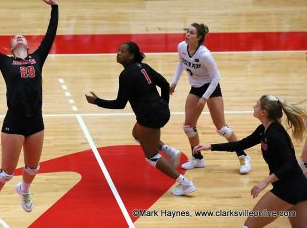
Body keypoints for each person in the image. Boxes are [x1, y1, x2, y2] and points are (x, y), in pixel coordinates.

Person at [0, 0, 58, 226]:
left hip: (36, 123)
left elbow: (50, 35)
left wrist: (54, 8)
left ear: (27, 45)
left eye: (21, 36)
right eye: (15, 37)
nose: (19, 37)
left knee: (32, 168)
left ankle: (24, 189)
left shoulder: (37, 58)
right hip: (14, 123)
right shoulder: (5, 62)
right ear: (11, 47)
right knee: (7, 173)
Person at [85, 42, 196, 196]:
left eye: (122, 51)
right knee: (136, 133)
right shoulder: (144, 67)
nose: (118, 53)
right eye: (118, 50)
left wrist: (97, 101)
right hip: (161, 111)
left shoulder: (125, 75)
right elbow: (164, 84)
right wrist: (164, 104)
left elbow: (120, 104)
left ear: (131, 55)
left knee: (151, 157)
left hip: (149, 116)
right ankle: (170, 151)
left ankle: (185, 183)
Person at [194, 95, 307, 228]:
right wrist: (211, 147)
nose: (254, 105)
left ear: (263, 112)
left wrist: (264, 182)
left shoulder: (275, 135)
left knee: (249, 226)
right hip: (297, 186)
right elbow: (240, 145)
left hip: (289, 188)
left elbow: (290, 164)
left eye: (257, 104)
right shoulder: (264, 130)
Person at [170, 23, 252, 174]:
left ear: (199, 37)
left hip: (211, 88)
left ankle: (243, 156)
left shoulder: (204, 54)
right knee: (188, 126)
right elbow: (181, 63)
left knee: (222, 129)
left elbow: (216, 77)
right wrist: (174, 82)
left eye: (192, 33)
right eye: (187, 31)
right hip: (196, 88)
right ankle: (197, 158)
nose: (187, 34)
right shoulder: (182, 46)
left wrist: (204, 97)